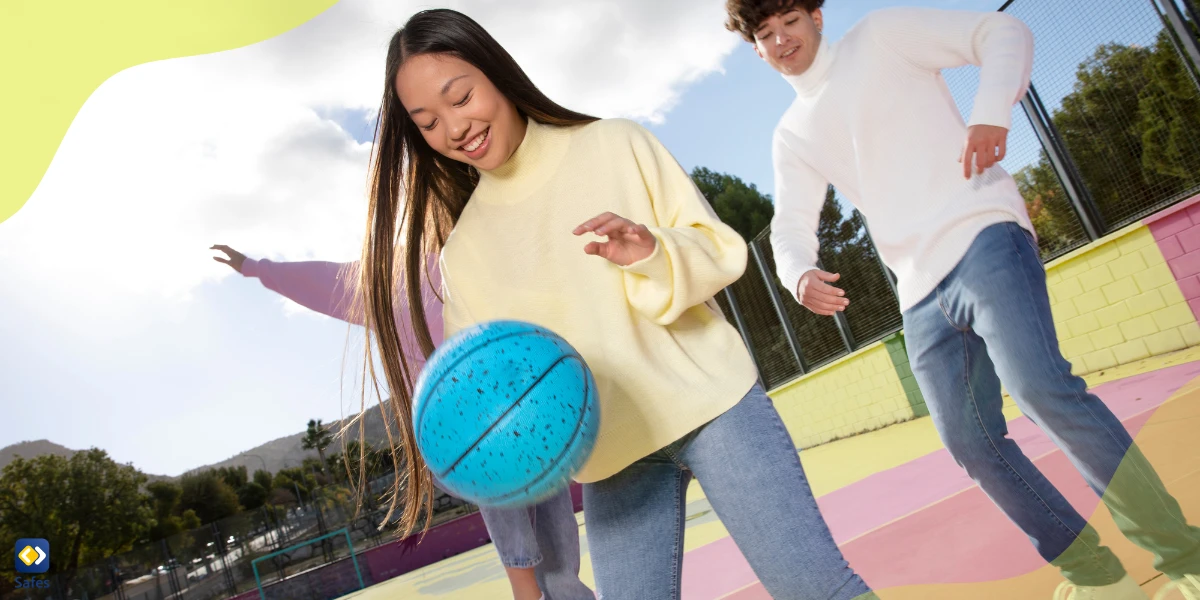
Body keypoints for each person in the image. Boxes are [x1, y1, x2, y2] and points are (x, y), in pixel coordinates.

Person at [349, 8, 876, 600]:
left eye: (461, 96)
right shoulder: (464, 254)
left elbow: (722, 252)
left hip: (713, 406)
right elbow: (490, 412)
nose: (454, 127)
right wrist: (525, 576)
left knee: (818, 589)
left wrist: (653, 250)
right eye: (427, 122)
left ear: (495, 74)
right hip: (610, 461)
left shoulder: (614, 143)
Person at [725, 1, 1200, 599]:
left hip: (982, 234)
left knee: (1042, 391)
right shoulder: (791, 132)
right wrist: (797, 274)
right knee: (969, 442)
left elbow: (999, 30)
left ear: (817, 16)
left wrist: (991, 112)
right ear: (756, 51)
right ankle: (1098, 578)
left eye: (789, 21)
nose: (781, 39)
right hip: (919, 290)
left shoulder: (884, 36)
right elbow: (790, 224)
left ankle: (1185, 556)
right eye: (766, 35)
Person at [209, 246, 593, 600]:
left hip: (525, 417)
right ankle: (524, 587)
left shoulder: (475, 249)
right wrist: (251, 266)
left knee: (547, 502)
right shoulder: (385, 281)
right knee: (489, 455)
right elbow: (315, 279)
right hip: (456, 437)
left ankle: (564, 589)